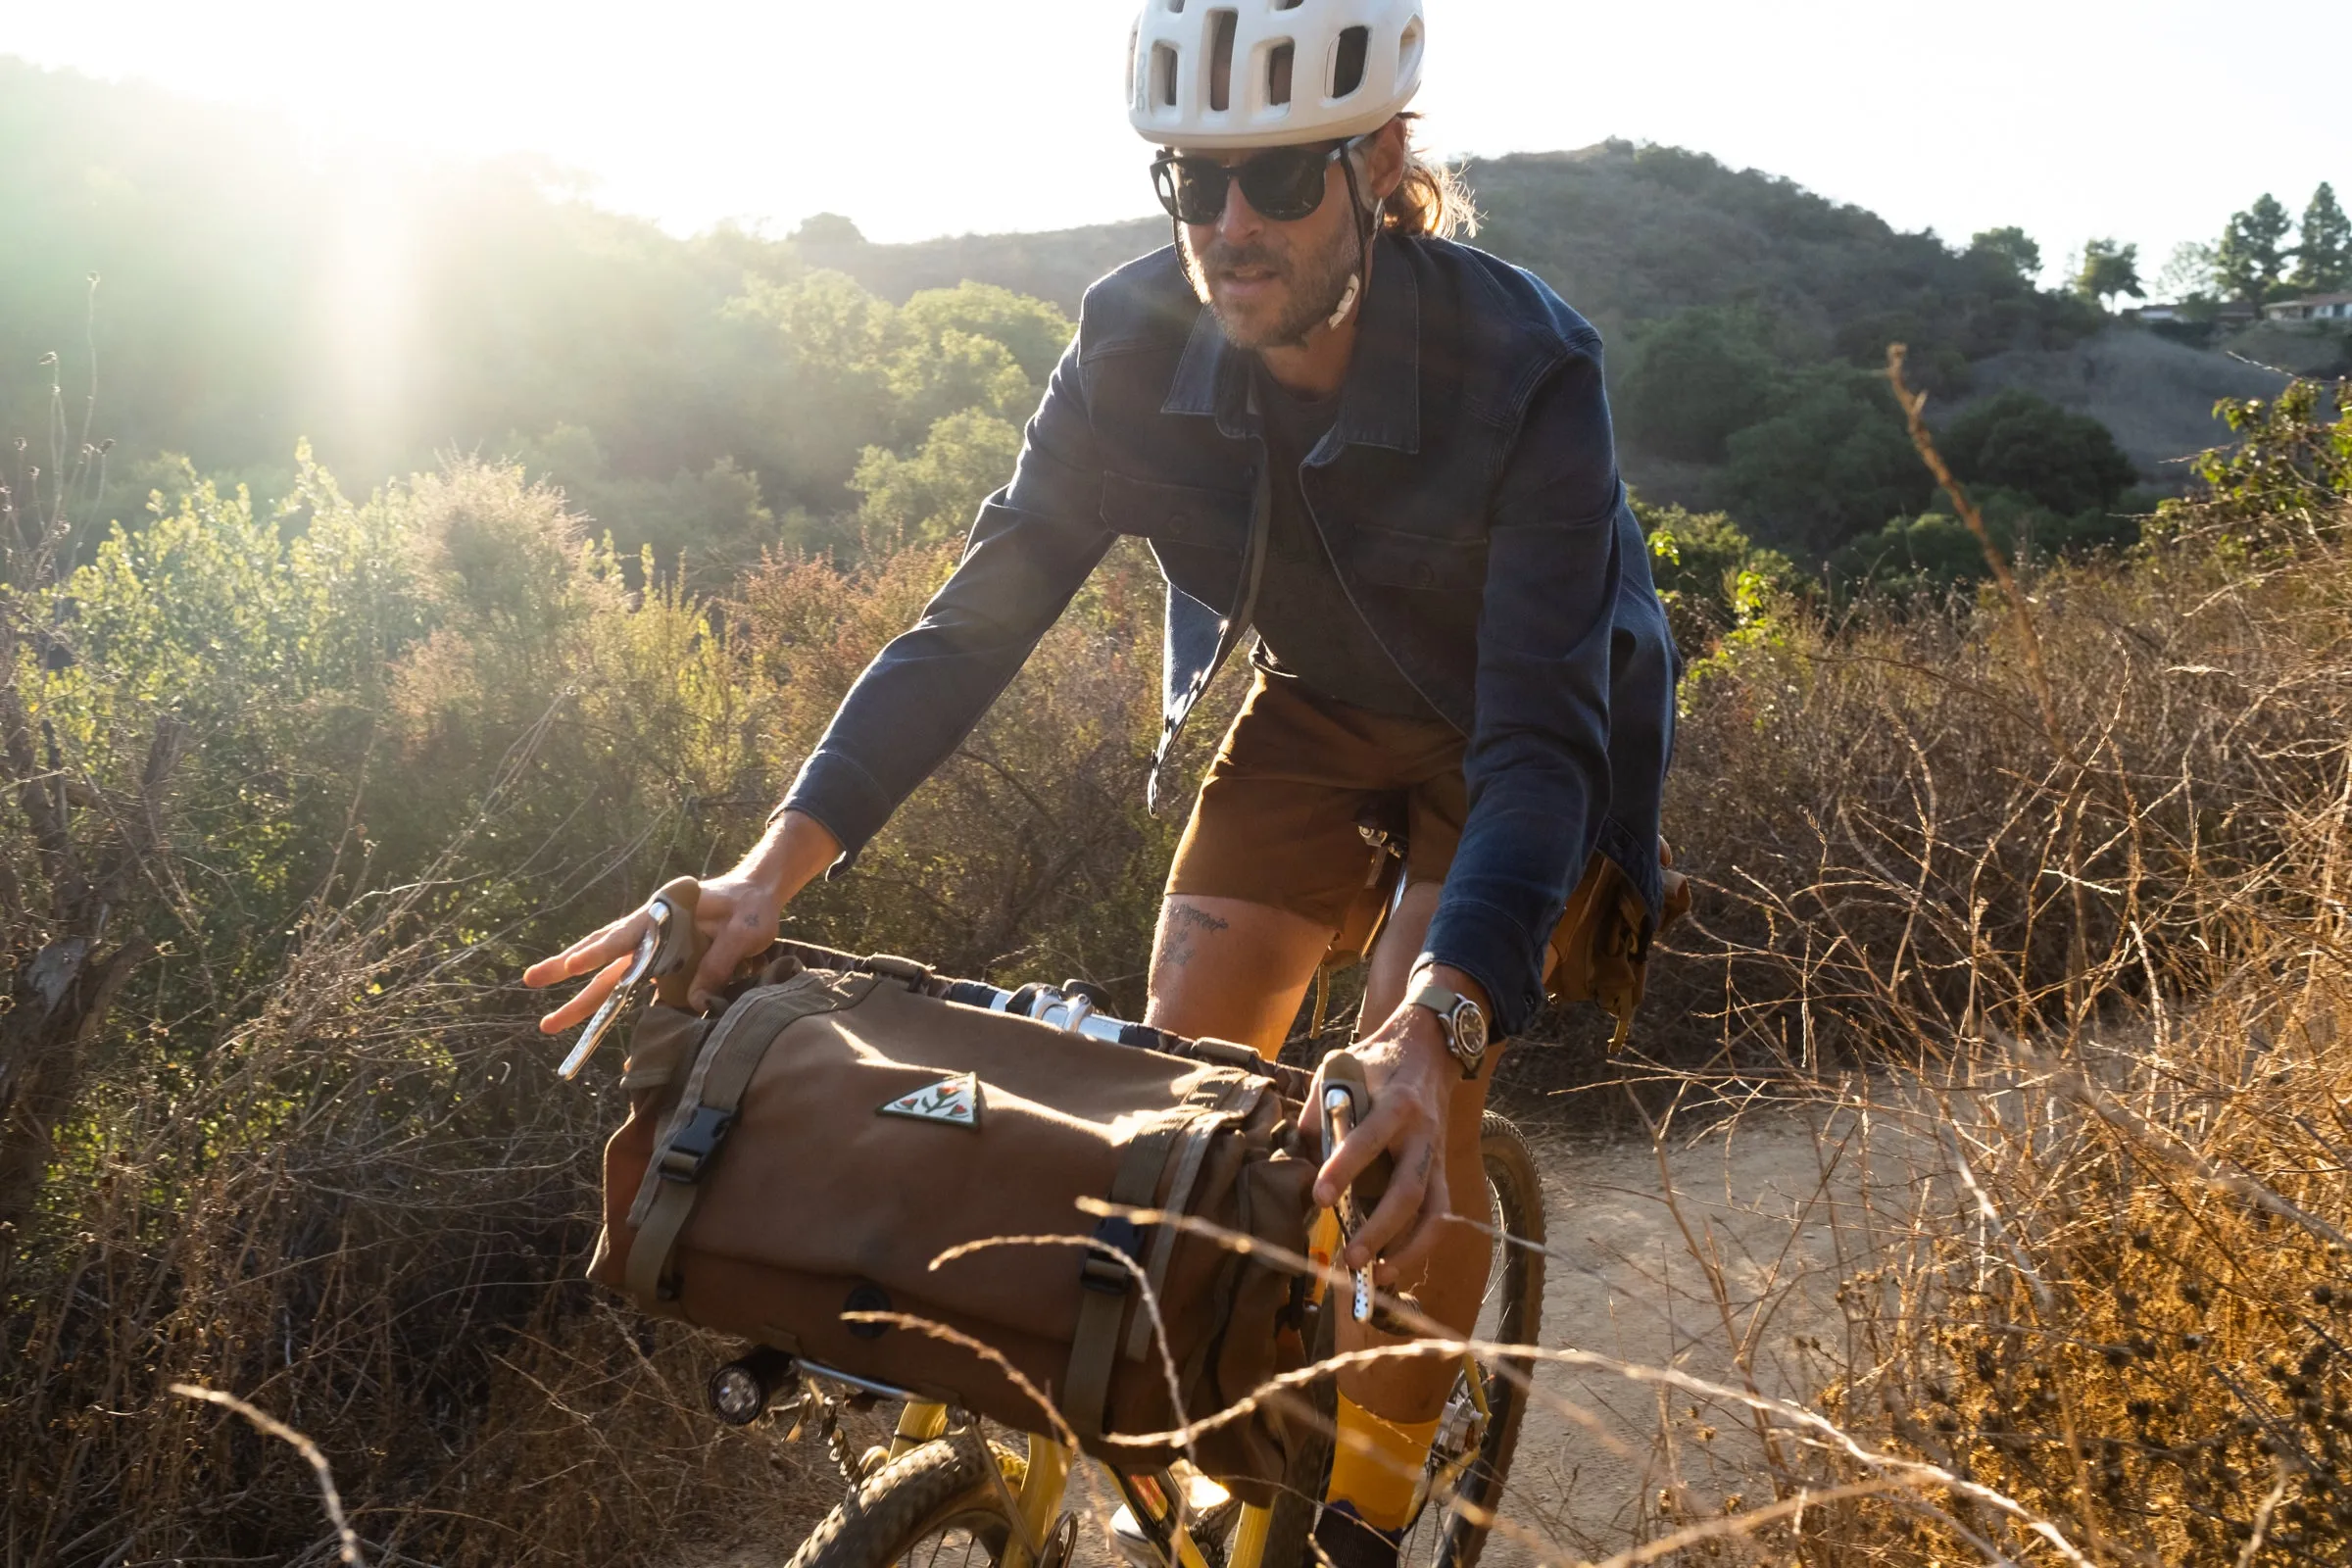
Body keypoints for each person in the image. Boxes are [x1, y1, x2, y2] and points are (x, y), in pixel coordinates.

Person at [526, 0, 1678, 1560]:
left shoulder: (1526, 364)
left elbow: (1540, 740)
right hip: (1323, 701)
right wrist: (762, 877)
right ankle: (1205, 1424)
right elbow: (969, 627)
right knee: (1178, 1092)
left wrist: (1438, 1028)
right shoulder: (1133, 342)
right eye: (1194, 184)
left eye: (1278, 179)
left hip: (1519, 729)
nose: (1233, 227)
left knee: (1400, 1125)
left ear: (1380, 163)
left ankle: (1373, 1502)